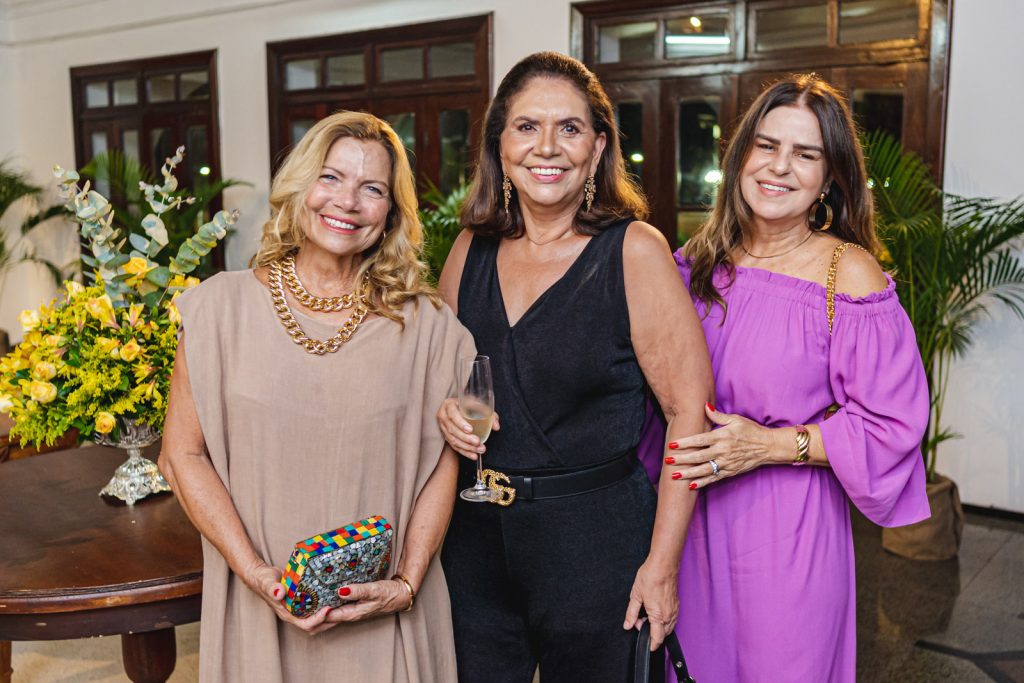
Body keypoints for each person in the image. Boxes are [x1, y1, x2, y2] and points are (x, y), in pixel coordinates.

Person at [158, 111, 474, 682]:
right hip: (258, 609)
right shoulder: (217, 310)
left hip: (386, 617)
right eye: (331, 178)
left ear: (392, 214)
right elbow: (182, 456)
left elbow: (443, 465)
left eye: (372, 188)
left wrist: (406, 583)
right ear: (300, 187)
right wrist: (255, 573)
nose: (347, 202)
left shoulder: (429, 327)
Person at [435, 51, 713, 682]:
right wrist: (449, 412)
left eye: (570, 128)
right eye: (527, 127)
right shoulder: (468, 250)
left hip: (596, 544)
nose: (548, 147)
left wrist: (661, 566)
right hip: (474, 540)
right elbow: (448, 384)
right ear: (500, 146)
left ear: (597, 146)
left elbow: (688, 414)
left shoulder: (634, 251)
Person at [649, 74, 931, 682]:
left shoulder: (847, 275)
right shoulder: (693, 264)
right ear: (740, 155)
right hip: (687, 525)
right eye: (767, 145)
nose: (779, 167)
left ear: (830, 177)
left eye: (805, 154)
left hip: (787, 534)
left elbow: (892, 423)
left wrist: (770, 445)